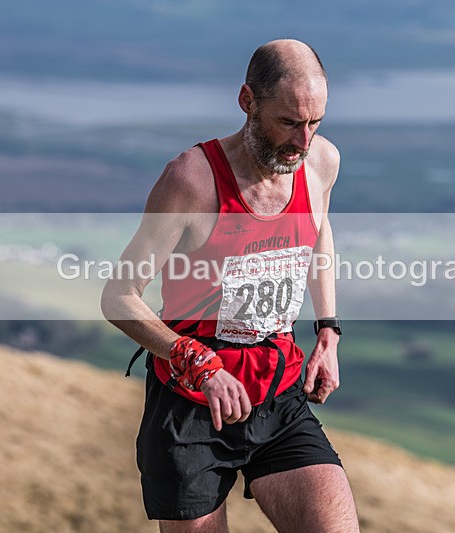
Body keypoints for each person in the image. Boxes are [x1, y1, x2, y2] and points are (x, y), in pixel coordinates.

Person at [101, 39, 359, 532]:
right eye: (288, 122)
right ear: (247, 101)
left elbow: (318, 230)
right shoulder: (191, 180)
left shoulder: (321, 162)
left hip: (276, 387)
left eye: (315, 123)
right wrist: (198, 363)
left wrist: (328, 330)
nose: (302, 141)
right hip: (194, 400)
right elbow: (118, 297)